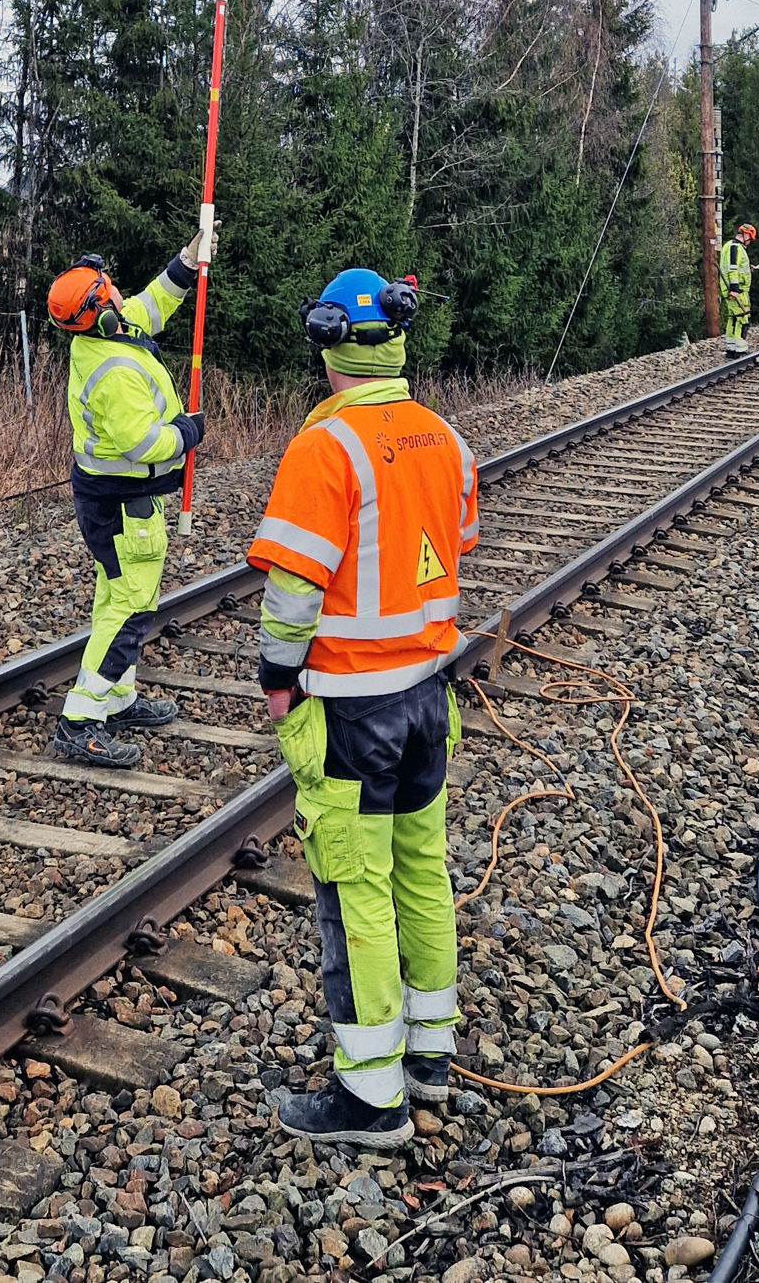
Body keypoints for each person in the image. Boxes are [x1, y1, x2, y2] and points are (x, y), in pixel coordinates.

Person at [250, 267, 477, 1150]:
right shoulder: (444, 437)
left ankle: (371, 1095)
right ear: (398, 340)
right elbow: (454, 540)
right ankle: (431, 1053)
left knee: (356, 894)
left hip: (351, 709)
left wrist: (278, 677)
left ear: (329, 343)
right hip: (428, 698)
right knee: (423, 871)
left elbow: (293, 590)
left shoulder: (325, 446)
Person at [45, 229, 211, 770]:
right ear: (101, 312)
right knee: (131, 608)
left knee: (116, 598)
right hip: (123, 502)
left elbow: (152, 303)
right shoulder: (114, 371)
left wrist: (186, 262)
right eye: (109, 288)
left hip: (117, 498)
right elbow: (143, 443)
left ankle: (116, 699)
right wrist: (187, 432)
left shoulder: (107, 334)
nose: (119, 290)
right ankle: (81, 720)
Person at [718, 223, 758, 355]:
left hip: (731, 288)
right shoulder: (735, 248)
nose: (750, 242)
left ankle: (731, 348)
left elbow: (735, 266)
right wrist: (734, 289)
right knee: (742, 317)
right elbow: (733, 269)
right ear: (746, 235)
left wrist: (748, 269)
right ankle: (740, 349)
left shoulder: (729, 246)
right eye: (750, 239)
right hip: (737, 290)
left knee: (733, 318)